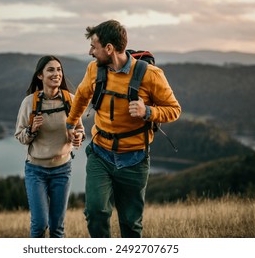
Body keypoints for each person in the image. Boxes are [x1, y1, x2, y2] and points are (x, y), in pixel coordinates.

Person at [66, 20, 181, 238]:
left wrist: (148, 111)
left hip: (134, 160)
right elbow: (81, 96)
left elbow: (174, 110)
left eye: (94, 46)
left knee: (131, 224)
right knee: (96, 212)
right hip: (100, 154)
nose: (90, 52)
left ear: (109, 48)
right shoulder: (94, 70)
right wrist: (71, 123)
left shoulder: (151, 75)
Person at [15, 55, 85, 238]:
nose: (57, 74)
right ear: (40, 76)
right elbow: (20, 136)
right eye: (51, 70)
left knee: (57, 228)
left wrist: (78, 137)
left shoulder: (71, 100)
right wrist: (32, 130)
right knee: (39, 225)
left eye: (59, 69)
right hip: (35, 170)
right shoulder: (29, 102)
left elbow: (80, 130)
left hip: (63, 170)